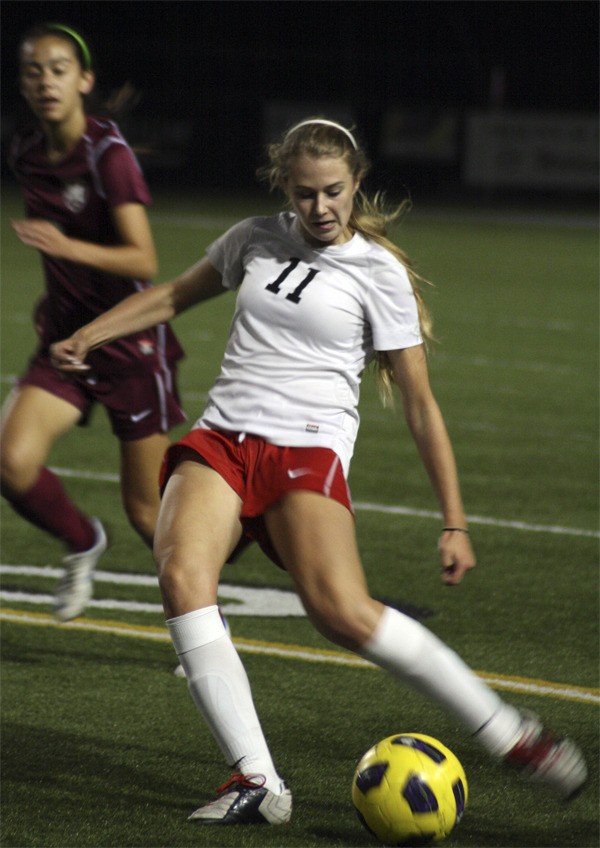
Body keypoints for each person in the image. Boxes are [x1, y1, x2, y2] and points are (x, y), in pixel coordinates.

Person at [50, 118, 587, 824]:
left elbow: (421, 407)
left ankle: (510, 734)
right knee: (181, 575)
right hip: (223, 439)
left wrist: (454, 520)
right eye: (305, 195)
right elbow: (175, 295)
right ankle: (257, 781)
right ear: (286, 188)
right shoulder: (252, 238)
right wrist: (92, 332)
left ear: (356, 183)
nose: (321, 208)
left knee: (342, 612)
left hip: (306, 450)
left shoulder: (379, 274)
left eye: (334, 192)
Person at [2, 23, 186, 622]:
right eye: (34, 70)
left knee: (145, 508)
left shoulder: (110, 155)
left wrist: (65, 248)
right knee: (10, 463)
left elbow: (144, 260)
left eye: (58, 69)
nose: (45, 80)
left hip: (129, 345)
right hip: (62, 344)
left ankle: (201, 622)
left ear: (83, 80)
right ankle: (83, 542)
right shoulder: (27, 152)